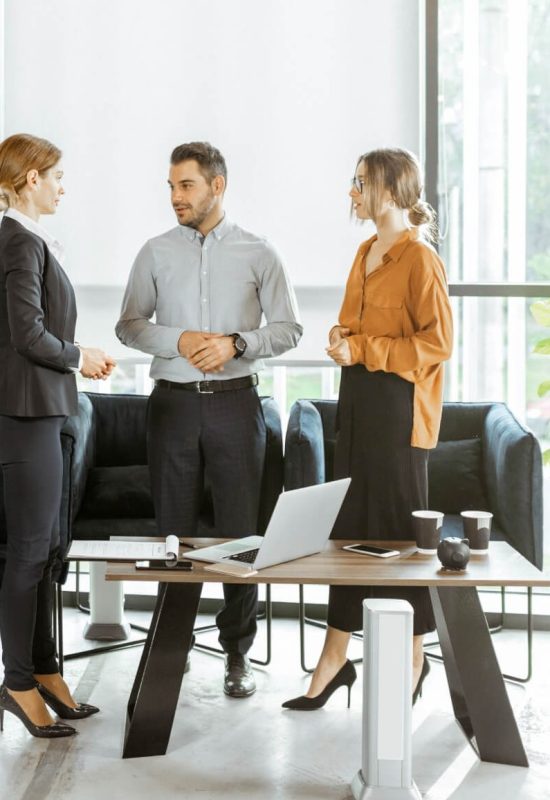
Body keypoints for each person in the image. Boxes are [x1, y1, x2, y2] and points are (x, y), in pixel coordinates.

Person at [116, 141, 302, 697]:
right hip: (171, 406)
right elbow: (129, 325)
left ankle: (237, 654)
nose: (175, 196)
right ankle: (171, 649)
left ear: (217, 186)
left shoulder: (259, 252)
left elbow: (289, 329)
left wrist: (235, 343)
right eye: (171, 186)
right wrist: (181, 339)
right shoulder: (153, 252)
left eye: (186, 185)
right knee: (172, 536)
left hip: (235, 403)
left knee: (241, 535)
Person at [282, 148, 453, 710]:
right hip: (357, 399)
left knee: (403, 537)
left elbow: (437, 344)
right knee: (349, 531)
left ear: (389, 188)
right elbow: (354, 325)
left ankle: (413, 656)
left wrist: (365, 348)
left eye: (359, 183)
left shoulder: (419, 259)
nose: (351, 192)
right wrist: (340, 338)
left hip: (400, 407)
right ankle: (334, 659)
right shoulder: (364, 250)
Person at [0, 133, 116, 737]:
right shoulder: (19, 242)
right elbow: (28, 334)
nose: (63, 186)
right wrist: (81, 356)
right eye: (57, 176)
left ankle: (45, 672)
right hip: (24, 417)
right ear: (28, 181)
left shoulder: (28, 240)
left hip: (39, 413)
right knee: (28, 553)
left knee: (45, 552)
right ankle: (18, 683)